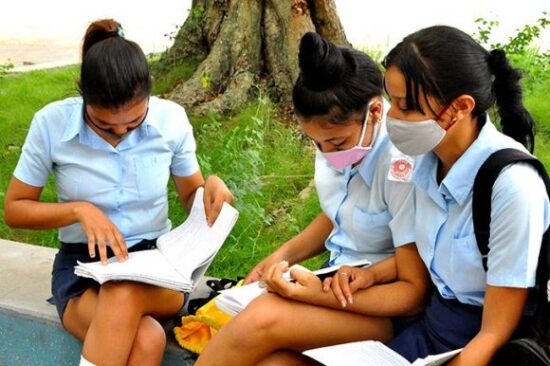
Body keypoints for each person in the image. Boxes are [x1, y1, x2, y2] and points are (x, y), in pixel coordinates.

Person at [3, 19, 233, 365]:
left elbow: (191, 198)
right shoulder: (51, 124)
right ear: (84, 99)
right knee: (148, 337)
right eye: (105, 125)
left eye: (134, 122)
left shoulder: (171, 121)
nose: (121, 132)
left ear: (148, 96)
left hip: (159, 268)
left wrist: (208, 190)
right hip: (82, 267)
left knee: (122, 291)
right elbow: (15, 210)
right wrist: (79, 210)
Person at [196, 32, 429, 366]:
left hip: (381, 307)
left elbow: (413, 288)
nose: (326, 153)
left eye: (335, 143)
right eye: (316, 143)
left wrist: (316, 294)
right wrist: (283, 255)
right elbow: (342, 214)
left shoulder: (400, 165)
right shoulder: (339, 142)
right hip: (331, 281)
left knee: (260, 320)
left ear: (375, 111)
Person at [329, 25, 548, 365]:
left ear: (459, 107)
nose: (392, 118)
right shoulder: (425, 161)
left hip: (485, 345)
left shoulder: (512, 186)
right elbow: (436, 259)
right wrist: (371, 275)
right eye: (392, 101)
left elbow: (495, 330)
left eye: (406, 106)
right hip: (432, 326)